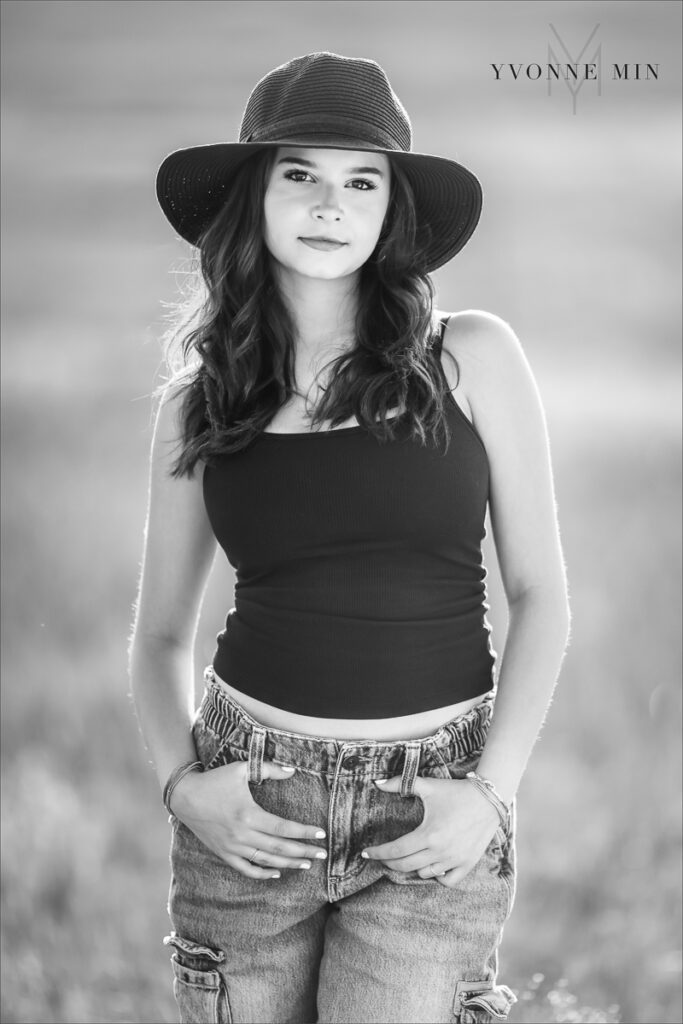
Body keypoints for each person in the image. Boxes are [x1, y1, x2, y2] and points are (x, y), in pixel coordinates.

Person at [129, 51, 570, 1024]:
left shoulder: (469, 358)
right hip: (250, 805)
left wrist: (489, 794)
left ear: (387, 214)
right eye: (301, 175)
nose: (330, 204)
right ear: (255, 196)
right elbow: (159, 636)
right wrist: (183, 788)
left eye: (359, 182)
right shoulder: (196, 406)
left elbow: (540, 596)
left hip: (435, 803)